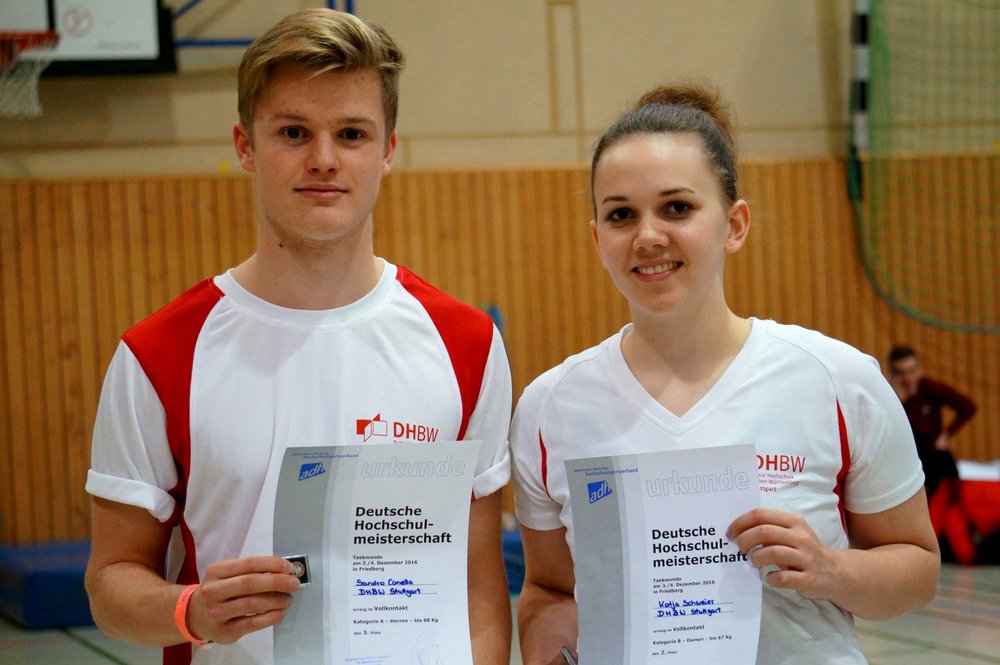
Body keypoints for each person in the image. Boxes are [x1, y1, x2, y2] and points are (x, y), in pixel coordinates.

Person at [84, 9, 512, 665]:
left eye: (351, 133)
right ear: (245, 144)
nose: (323, 159)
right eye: (293, 131)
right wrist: (190, 611)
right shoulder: (158, 354)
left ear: (389, 149)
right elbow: (112, 580)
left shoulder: (466, 344)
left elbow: (479, 589)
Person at [510, 83, 940, 664]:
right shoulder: (549, 407)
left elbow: (917, 572)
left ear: (735, 224)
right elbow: (551, 589)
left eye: (677, 207)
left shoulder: (837, 379)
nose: (648, 236)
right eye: (620, 214)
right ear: (597, 239)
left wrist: (829, 568)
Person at [887, 345, 977, 542]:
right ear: (892, 375)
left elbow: (968, 407)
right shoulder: (886, 396)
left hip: (932, 454)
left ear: (919, 369)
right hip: (904, 455)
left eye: (911, 371)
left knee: (945, 468)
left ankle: (962, 528)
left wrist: (947, 434)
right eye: (900, 373)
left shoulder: (931, 389)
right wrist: (895, 404)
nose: (907, 378)